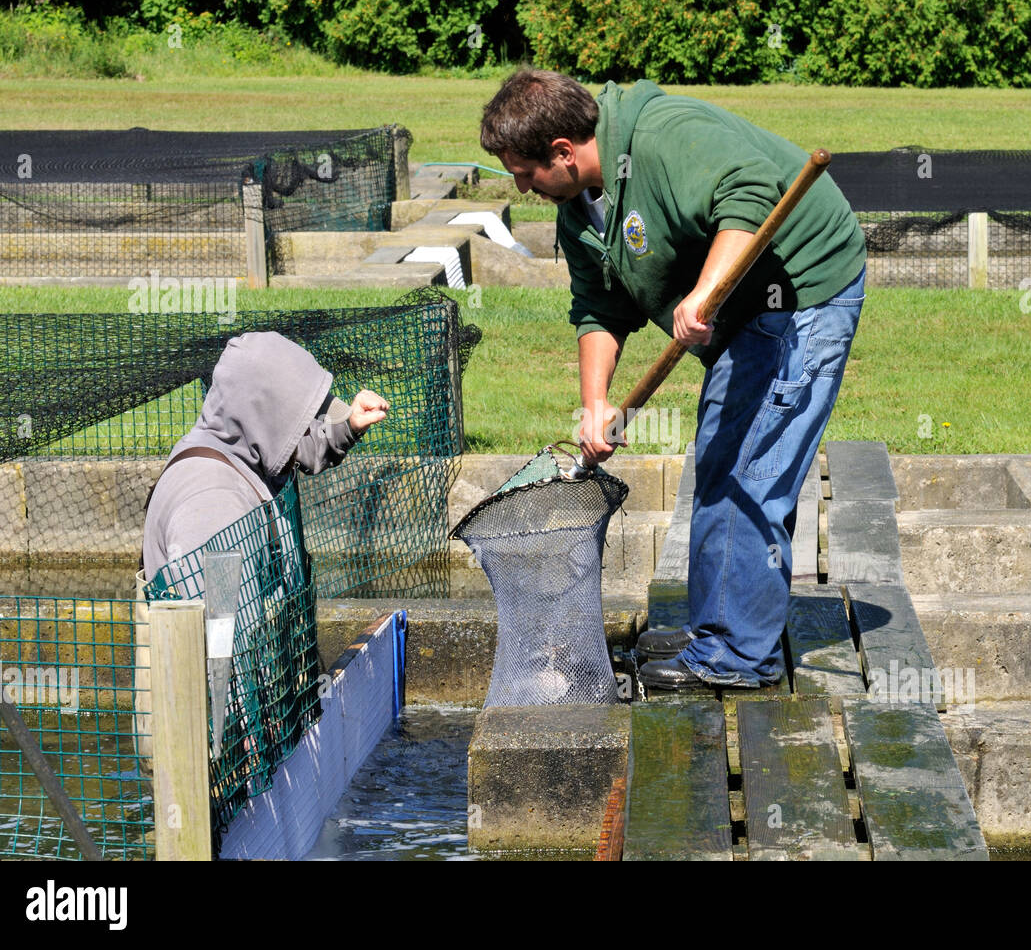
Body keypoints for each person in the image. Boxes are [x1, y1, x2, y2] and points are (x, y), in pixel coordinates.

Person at [480, 69, 867, 690]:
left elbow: (752, 191)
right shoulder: (579, 209)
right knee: (719, 462)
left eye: (525, 173)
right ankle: (719, 628)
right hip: (741, 306)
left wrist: (705, 292)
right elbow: (598, 307)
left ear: (562, 152)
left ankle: (739, 656)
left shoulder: (665, 136)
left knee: (749, 470)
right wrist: (596, 403)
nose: (522, 186)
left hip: (803, 292)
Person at [135, 331, 388, 762]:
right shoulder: (211, 502)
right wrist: (247, 746)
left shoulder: (237, 449)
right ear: (263, 414)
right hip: (209, 749)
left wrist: (344, 427)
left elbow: (290, 446)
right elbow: (223, 647)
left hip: (240, 730)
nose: (306, 430)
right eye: (299, 417)